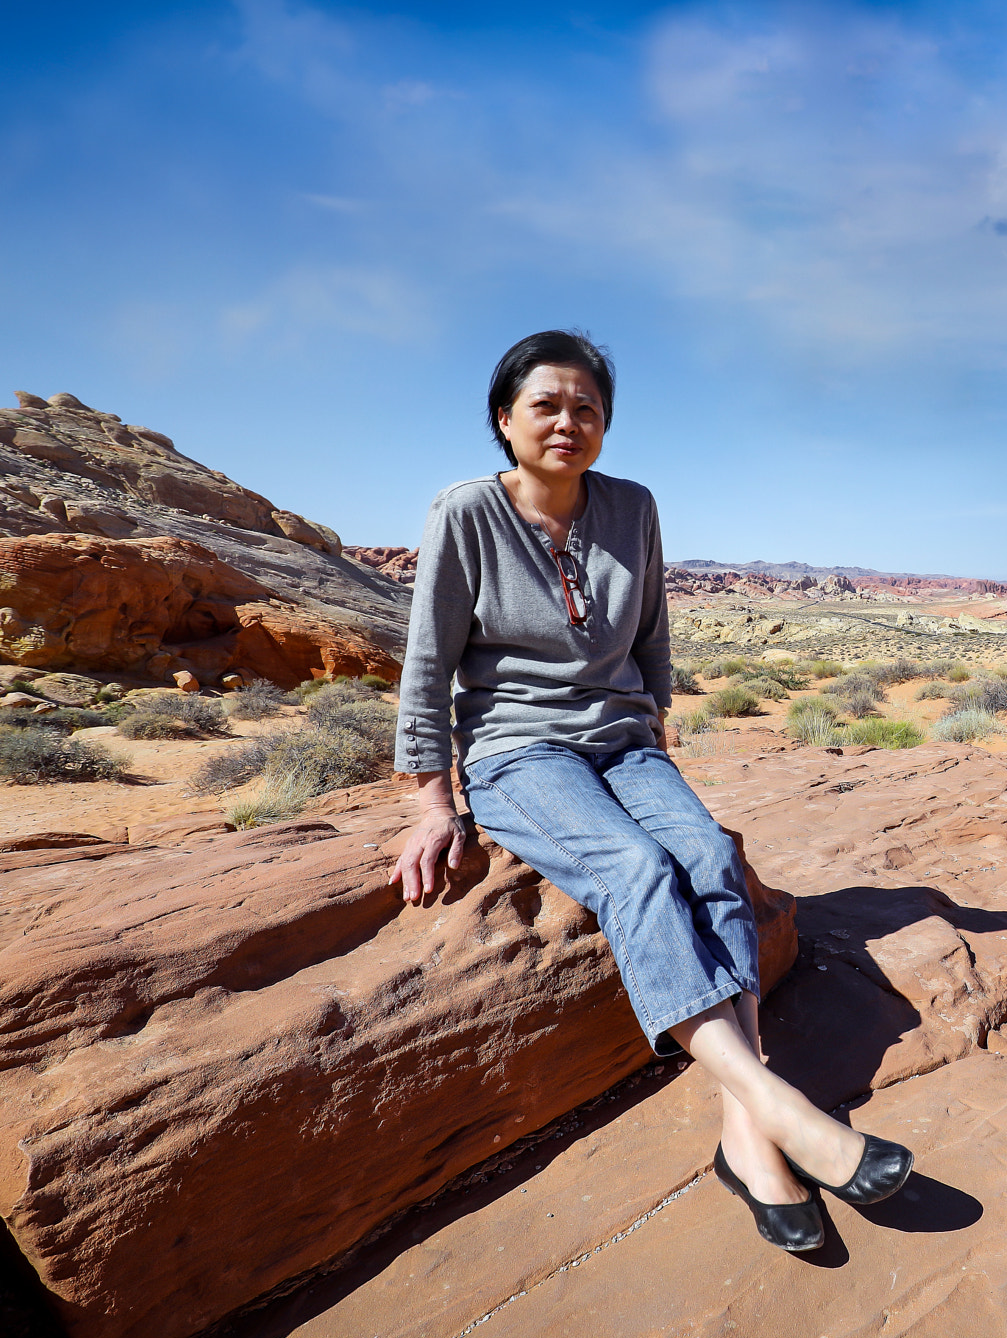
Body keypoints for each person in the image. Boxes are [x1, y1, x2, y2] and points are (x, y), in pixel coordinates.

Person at [387, 330, 910, 1252]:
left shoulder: (632, 507)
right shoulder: (467, 512)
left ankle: (747, 1132)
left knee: (708, 854)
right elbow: (428, 667)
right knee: (635, 869)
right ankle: (779, 1106)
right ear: (504, 419)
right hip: (520, 750)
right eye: (546, 404)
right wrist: (434, 802)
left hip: (626, 740)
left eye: (587, 406)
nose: (568, 421)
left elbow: (654, 633)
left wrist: (654, 718)